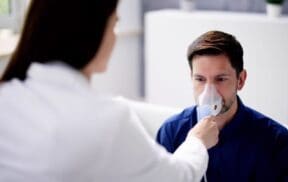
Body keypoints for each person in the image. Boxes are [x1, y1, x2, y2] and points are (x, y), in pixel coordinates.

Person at [0, 0, 220, 181]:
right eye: (114, 25)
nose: (114, 36)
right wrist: (197, 140)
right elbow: (176, 177)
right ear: (92, 33)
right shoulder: (108, 119)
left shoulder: (7, 96)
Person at [156, 31, 288, 182]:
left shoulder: (274, 140)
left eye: (220, 79)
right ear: (191, 78)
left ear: (240, 80)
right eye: (200, 79)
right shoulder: (170, 132)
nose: (209, 92)